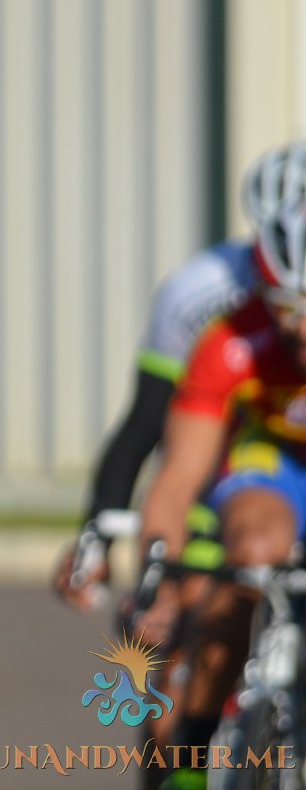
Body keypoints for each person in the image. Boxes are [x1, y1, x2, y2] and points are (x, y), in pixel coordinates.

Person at [52, 141, 306, 611]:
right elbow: (146, 421)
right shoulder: (199, 292)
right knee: (194, 598)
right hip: (233, 444)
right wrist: (101, 535)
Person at [137, 190, 306, 787]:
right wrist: (156, 580)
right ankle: (190, 752)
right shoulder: (234, 338)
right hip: (274, 462)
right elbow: (178, 476)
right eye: (288, 307)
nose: (302, 327)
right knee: (253, 555)